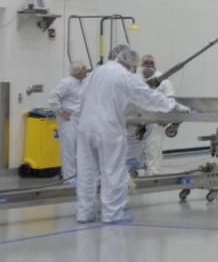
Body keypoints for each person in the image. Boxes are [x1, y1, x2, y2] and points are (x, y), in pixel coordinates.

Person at [75, 47, 179, 224]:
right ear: (130, 63)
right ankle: (112, 215)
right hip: (108, 128)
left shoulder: (97, 72)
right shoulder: (124, 76)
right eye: (135, 65)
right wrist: (172, 106)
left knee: (86, 173)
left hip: (85, 127)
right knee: (113, 171)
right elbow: (147, 97)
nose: (134, 69)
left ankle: (84, 213)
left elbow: (81, 95)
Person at [49, 62, 88, 186]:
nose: (86, 71)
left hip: (78, 119)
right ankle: (69, 178)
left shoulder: (81, 83)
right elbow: (53, 97)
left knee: (78, 149)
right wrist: (61, 112)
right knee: (68, 148)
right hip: (68, 119)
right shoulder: (67, 82)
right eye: (84, 69)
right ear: (77, 71)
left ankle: (77, 176)